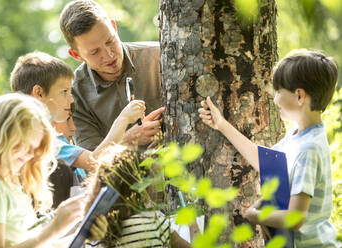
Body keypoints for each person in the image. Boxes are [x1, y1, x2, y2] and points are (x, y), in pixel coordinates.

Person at [198, 49, 341, 247]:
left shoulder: (309, 149)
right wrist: (221, 124)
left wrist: (258, 215)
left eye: (279, 91)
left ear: (300, 96)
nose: (275, 100)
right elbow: (262, 160)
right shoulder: (299, 136)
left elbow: (296, 217)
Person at [0, 93, 107, 247]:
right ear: (2, 135)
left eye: (34, 149)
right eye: (25, 145)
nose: (30, 155)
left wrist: (83, 235)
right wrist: (54, 228)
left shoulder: (10, 183)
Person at [10, 51, 146, 173]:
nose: (70, 100)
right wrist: (123, 119)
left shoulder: (56, 142)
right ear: (39, 93)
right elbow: (95, 160)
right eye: (64, 92)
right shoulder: (43, 144)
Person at [59, 0, 165, 152]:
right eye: (95, 52)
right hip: (123, 175)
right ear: (76, 55)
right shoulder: (75, 95)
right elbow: (91, 163)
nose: (109, 55)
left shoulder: (159, 56)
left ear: (114, 27)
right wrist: (128, 139)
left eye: (110, 41)